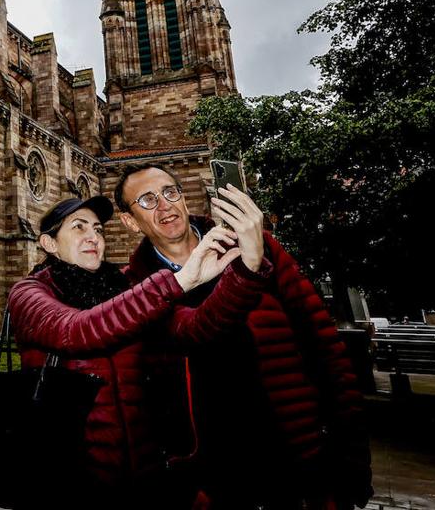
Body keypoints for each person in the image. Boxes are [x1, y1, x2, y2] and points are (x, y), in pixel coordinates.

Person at [115, 163, 372, 510]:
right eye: (147, 200)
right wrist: (247, 270)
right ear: (130, 221)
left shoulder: (256, 244)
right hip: (211, 478)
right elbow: (191, 333)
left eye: (170, 192)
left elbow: (323, 344)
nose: (165, 206)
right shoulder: (135, 288)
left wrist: (352, 455)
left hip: (296, 456)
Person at [7, 193, 271, 507]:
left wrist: (248, 268)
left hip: (146, 473)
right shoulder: (29, 292)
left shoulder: (125, 289)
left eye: (98, 229)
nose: (93, 237)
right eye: (79, 228)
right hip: (69, 477)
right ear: (49, 244)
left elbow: (195, 328)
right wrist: (180, 280)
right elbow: (75, 330)